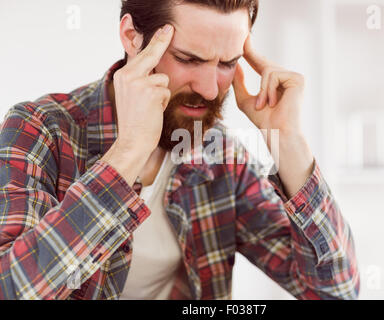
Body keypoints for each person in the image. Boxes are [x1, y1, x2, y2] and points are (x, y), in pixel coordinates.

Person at [0, 0, 359, 300]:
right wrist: (126, 154)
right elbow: (12, 289)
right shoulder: (40, 129)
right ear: (132, 37)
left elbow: (336, 292)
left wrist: (288, 141)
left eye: (227, 63)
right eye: (189, 59)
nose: (208, 88)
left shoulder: (221, 157)